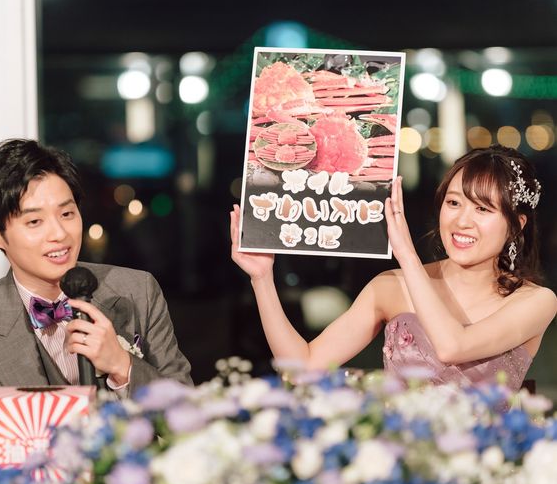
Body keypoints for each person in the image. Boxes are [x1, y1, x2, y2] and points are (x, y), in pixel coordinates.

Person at [231, 144, 557, 391]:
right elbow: (301, 369)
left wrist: (407, 256)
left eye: (483, 209)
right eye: (454, 203)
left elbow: (452, 346)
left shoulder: (535, 301)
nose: (462, 221)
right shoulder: (390, 286)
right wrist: (262, 279)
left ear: (516, 225)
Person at [0, 138, 192, 469]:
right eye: (34, 222)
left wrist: (123, 366)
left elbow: (188, 418)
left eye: (67, 213)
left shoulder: (138, 290)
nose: (59, 234)